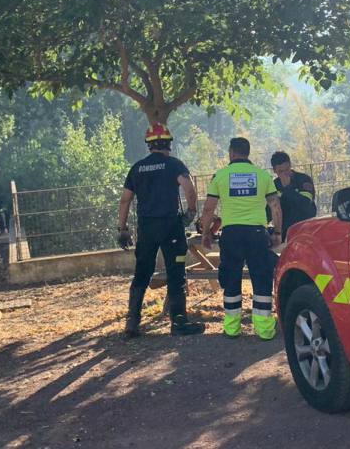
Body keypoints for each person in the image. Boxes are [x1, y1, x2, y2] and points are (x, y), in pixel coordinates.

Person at [117, 123, 203, 338]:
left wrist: (123, 228)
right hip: (171, 226)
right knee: (176, 272)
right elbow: (190, 189)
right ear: (169, 144)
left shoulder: (137, 168)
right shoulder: (174, 165)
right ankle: (179, 322)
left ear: (149, 145)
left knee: (142, 272)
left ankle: (132, 322)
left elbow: (125, 200)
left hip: (146, 227)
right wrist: (191, 212)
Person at [199, 137, 283, 340]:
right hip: (256, 234)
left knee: (231, 278)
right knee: (261, 278)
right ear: (247, 152)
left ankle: (231, 327)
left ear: (231, 153)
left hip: (231, 234)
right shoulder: (262, 176)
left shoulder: (220, 176)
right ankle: (264, 329)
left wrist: (206, 234)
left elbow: (209, 209)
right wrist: (277, 233)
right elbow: (275, 207)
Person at [269, 150, 317, 240]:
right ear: (274, 170)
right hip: (285, 231)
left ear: (290, 165)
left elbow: (305, 204)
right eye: (280, 171)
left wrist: (287, 188)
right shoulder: (273, 185)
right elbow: (270, 210)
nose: (284, 174)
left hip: (305, 228)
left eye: (287, 170)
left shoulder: (303, 180)